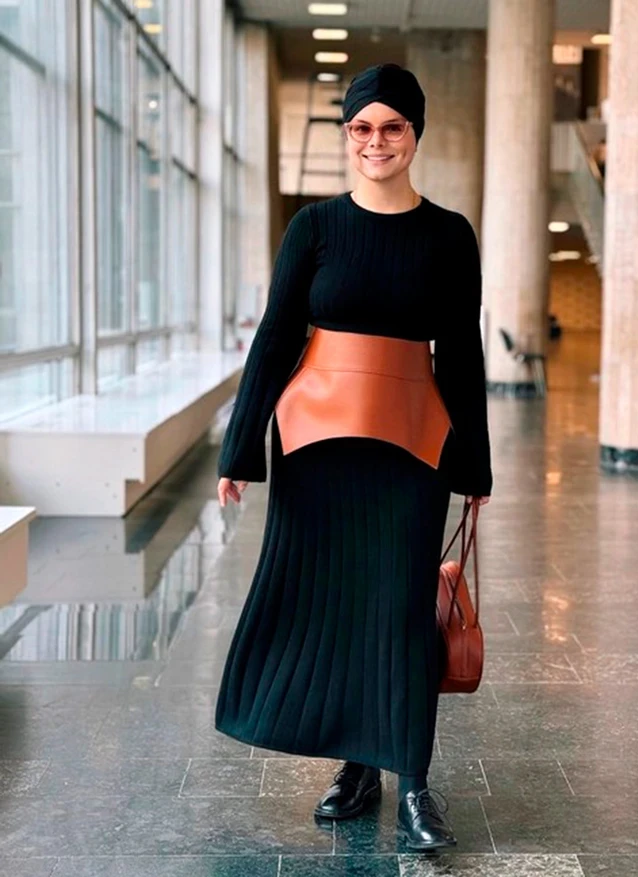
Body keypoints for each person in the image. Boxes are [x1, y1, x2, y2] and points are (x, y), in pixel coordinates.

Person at [214, 62, 492, 853]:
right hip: (315, 448)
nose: (377, 141)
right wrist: (240, 448)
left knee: (400, 609)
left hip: (412, 447)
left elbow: (460, 354)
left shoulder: (449, 235)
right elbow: (276, 337)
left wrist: (474, 466)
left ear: (415, 135)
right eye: (362, 127)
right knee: (337, 607)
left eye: (392, 126)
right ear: (347, 136)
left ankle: (414, 783)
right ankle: (358, 766)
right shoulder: (314, 228)